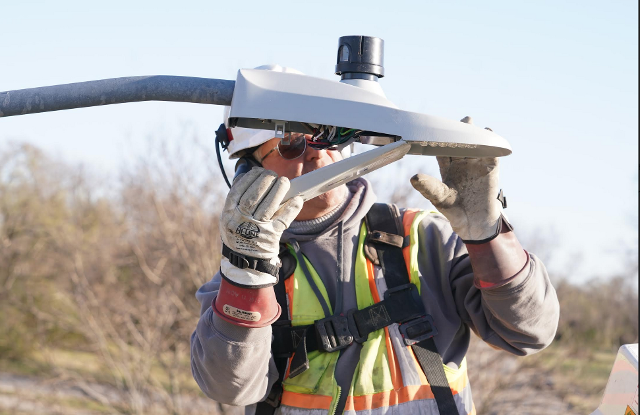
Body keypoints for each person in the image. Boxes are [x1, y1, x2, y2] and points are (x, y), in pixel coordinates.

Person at [191, 65, 560, 415]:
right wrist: (248, 274)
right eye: (290, 144)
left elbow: (530, 333)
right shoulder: (241, 278)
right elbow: (230, 387)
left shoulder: (424, 238)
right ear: (249, 173)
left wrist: (488, 235)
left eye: (325, 134)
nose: (318, 150)